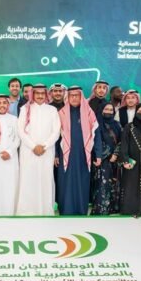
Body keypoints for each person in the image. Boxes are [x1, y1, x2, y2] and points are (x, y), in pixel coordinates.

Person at [15, 84, 60, 215]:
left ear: (46, 95)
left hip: (47, 152)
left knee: (45, 179)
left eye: (42, 93)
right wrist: (33, 146)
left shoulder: (52, 110)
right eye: (37, 93)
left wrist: (44, 146)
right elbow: (20, 130)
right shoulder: (25, 109)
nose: (40, 96)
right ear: (32, 95)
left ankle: (45, 210)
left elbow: (56, 131)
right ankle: (27, 211)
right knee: (28, 179)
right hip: (28, 151)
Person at [56, 87, 99, 216]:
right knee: (66, 182)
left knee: (82, 182)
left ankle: (81, 209)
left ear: (81, 97)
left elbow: (96, 134)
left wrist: (98, 154)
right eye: (72, 95)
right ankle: (66, 209)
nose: (74, 98)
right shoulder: (61, 113)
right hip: (65, 154)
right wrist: (56, 155)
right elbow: (56, 136)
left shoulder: (89, 113)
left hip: (83, 154)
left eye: (77, 95)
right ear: (67, 97)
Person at [117, 105, 141, 216]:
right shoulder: (128, 127)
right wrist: (125, 160)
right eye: (140, 111)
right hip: (132, 163)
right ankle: (130, 209)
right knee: (130, 185)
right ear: (136, 112)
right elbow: (124, 143)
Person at [91, 103, 121, 215]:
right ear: (101, 110)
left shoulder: (117, 124)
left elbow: (122, 140)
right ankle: (101, 209)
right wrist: (108, 154)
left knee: (114, 183)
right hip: (102, 160)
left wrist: (116, 154)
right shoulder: (96, 124)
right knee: (102, 184)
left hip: (115, 160)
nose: (108, 111)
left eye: (111, 110)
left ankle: (113, 208)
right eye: (106, 109)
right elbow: (96, 141)